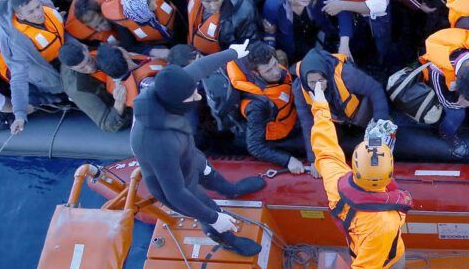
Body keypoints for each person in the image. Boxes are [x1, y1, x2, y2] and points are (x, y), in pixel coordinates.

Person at [306, 79, 433, 269]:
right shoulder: (384, 224)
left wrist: (320, 104)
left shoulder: (336, 178)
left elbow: (325, 146)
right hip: (384, 252)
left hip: (358, 240)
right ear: (388, 174)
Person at [130, 41, 266, 256]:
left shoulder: (168, 88)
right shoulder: (156, 142)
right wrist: (214, 218)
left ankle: (232, 190)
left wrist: (233, 53)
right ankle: (226, 239)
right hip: (179, 182)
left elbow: (199, 68)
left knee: (214, 177)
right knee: (207, 209)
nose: (199, 97)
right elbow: (175, 193)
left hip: (190, 156)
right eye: (192, 97)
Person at [292, 46, 390, 165]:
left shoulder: (346, 75)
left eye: (321, 81)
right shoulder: (299, 89)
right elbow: (308, 124)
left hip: (361, 116)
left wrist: (380, 124)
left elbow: (375, 89)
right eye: (312, 82)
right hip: (338, 122)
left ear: (326, 76)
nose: (318, 86)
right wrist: (314, 160)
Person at [0, 0, 69, 135]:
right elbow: (18, 79)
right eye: (31, 12)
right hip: (49, 71)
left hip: (64, 52)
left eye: (37, 7)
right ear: (20, 15)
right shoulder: (18, 42)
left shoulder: (45, 6)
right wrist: (20, 114)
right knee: (64, 91)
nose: (38, 13)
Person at [226, 40, 305, 171]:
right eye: (269, 70)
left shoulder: (276, 74)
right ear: (256, 73)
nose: (276, 72)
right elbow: (255, 147)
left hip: (292, 120)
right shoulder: (256, 105)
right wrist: (287, 160)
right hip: (279, 138)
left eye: (275, 64)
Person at [419, 27, 469, 157]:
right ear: (457, 87)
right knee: (457, 113)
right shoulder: (438, 72)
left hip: (460, 46)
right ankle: (447, 134)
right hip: (441, 89)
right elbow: (445, 100)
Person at [263, 0, 350, 65]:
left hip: (317, 35)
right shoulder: (273, 4)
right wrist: (270, 56)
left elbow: (343, 10)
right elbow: (269, 33)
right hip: (291, 46)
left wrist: (344, 44)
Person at [56, 41, 133, 132]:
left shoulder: (93, 48)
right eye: (82, 68)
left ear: (85, 47)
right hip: (122, 103)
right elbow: (107, 125)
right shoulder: (78, 89)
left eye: (89, 60)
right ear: (70, 68)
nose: (90, 68)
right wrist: (119, 103)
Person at [183, 0, 259, 55]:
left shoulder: (245, 11)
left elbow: (249, 43)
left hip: (222, 58)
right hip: (194, 48)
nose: (214, 7)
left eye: (217, 0)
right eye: (207, 2)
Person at [65, 0, 136, 49]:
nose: (102, 27)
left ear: (104, 12)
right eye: (96, 27)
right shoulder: (91, 38)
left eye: (102, 21)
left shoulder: (117, 6)